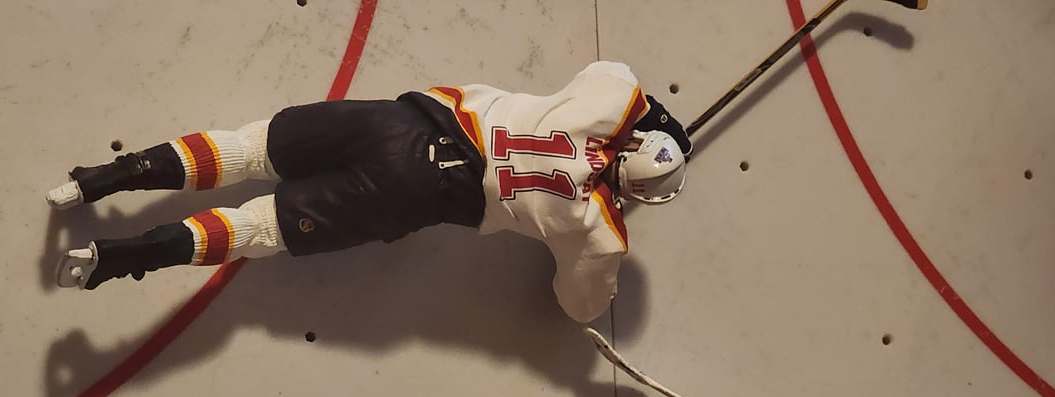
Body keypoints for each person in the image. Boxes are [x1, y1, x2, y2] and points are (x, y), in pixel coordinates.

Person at [46, 61, 691, 323]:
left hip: (402, 122)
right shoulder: (597, 232)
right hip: (412, 190)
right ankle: (118, 259)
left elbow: (618, 75)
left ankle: (97, 179)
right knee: (258, 227)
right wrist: (602, 258)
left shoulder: (608, 102)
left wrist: (657, 122)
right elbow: (579, 307)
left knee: (247, 148)